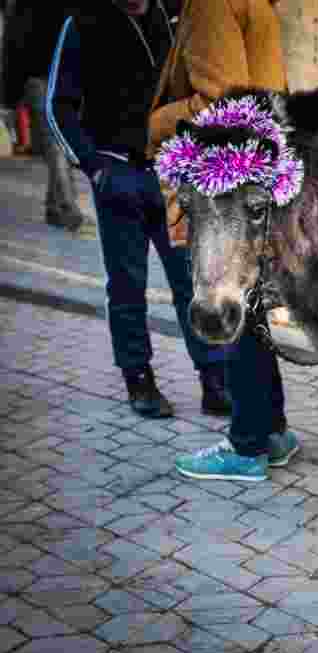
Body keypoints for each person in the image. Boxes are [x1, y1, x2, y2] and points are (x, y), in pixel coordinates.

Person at [46, 0, 231, 419]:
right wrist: (93, 166)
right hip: (117, 173)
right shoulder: (83, 22)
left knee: (192, 280)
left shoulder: (170, 19)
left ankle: (214, 379)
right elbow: (58, 105)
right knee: (127, 285)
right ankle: (139, 379)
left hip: (171, 175)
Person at [148, 0, 301, 482]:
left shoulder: (211, 3)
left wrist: (150, 124)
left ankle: (246, 444)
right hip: (250, 182)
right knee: (249, 310)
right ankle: (270, 432)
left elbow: (220, 103)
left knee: (225, 305)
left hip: (225, 192)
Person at [4, 2, 86, 230]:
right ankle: (68, 204)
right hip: (43, 76)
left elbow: (13, 43)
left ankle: (54, 207)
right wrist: (10, 95)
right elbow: (14, 43)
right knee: (56, 143)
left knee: (57, 142)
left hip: (60, 76)